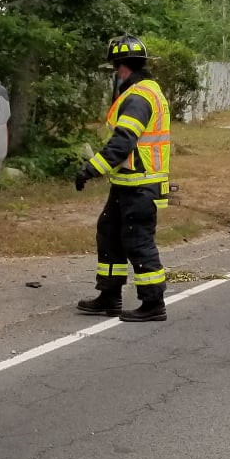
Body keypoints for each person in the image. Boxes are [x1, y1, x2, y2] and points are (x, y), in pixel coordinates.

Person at [74, 34, 172, 322]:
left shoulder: (139, 97)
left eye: (116, 69)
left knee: (138, 241)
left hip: (140, 184)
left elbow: (123, 141)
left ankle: (154, 303)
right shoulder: (143, 91)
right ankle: (109, 295)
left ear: (122, 68)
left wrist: (90, 169)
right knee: (109, 233)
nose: (116, 75)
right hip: (126, 183)